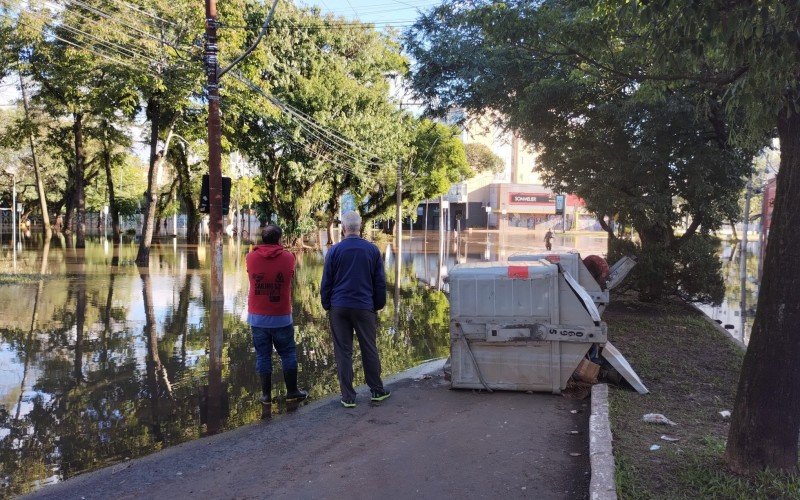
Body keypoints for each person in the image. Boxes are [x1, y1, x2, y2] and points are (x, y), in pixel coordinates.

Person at [320, 211, 390, 408]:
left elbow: (326, 282)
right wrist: (377, 305)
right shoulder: (372, 250)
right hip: (364, 306)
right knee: (369, 348)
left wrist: (327, 305)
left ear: (343, 228)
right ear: (360, 227)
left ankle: (348, 397)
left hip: (339, 307)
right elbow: (380, 283)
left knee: (343, 351)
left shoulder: (334, 251)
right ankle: (377, 390)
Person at [246, 224, 307, 404]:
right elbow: (291, 276)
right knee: (288, 353)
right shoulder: (289, 257)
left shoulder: (250, 257)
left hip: (257, 316)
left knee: (263, 356)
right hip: (281, 316)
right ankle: (292, 391)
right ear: (279, 239)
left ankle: (266, 396)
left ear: (263, 238)